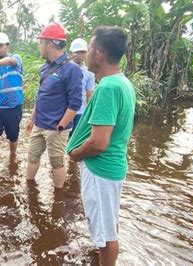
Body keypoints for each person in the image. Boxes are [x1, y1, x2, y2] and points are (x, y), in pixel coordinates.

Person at [66, 26, 136, 266]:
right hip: (113, 168)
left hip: (101, 170)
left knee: (105, 238)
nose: (86, 54)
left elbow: (99, 142)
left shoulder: (107, 87)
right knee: (109, 224)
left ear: (99, 54)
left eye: (90, 48)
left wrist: (75, 154)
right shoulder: (122, 82)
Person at [26, 23, 82, 189]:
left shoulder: (71, 69)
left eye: (41, 43)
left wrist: (61, 125)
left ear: (50, 43)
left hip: (56, 127)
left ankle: (58, 196)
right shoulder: (45, 68)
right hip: (39, 124)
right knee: (32, 156)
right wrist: (32, 118)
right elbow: (41, 95)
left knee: (56, 162)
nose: (40, 46)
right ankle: (29, 189)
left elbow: (75, 102)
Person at [0, 32, 23, 166]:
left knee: (13, 136)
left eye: (1, 45)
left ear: (7, 46)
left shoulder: (16, 59)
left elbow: (11, 61)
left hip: (13, 106)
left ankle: (13, 157)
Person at [69, 38, 95, 136]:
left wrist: (90, 114)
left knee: (76, 140)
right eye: (77, 52)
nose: (79, 56)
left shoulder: (89, 73)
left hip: (80, 112)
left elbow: (89, 94)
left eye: (82, 52)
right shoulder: (64, 69)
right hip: (65, 111)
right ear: (71, 53)